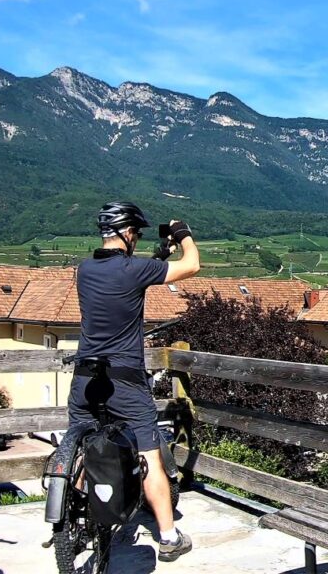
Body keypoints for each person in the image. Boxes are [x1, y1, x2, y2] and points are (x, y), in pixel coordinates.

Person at [67, 201, 200, 562]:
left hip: (85, 377)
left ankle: (70, 516)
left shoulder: (84, 269)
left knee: (81, 442)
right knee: (148, 455)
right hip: (125, 380)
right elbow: (192, 265)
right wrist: (182, 232)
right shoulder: (134, 269)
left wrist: (158, 253)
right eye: (136, 235)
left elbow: (126, 273)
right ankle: (170, 537)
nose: (138, 240)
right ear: (127, 233)